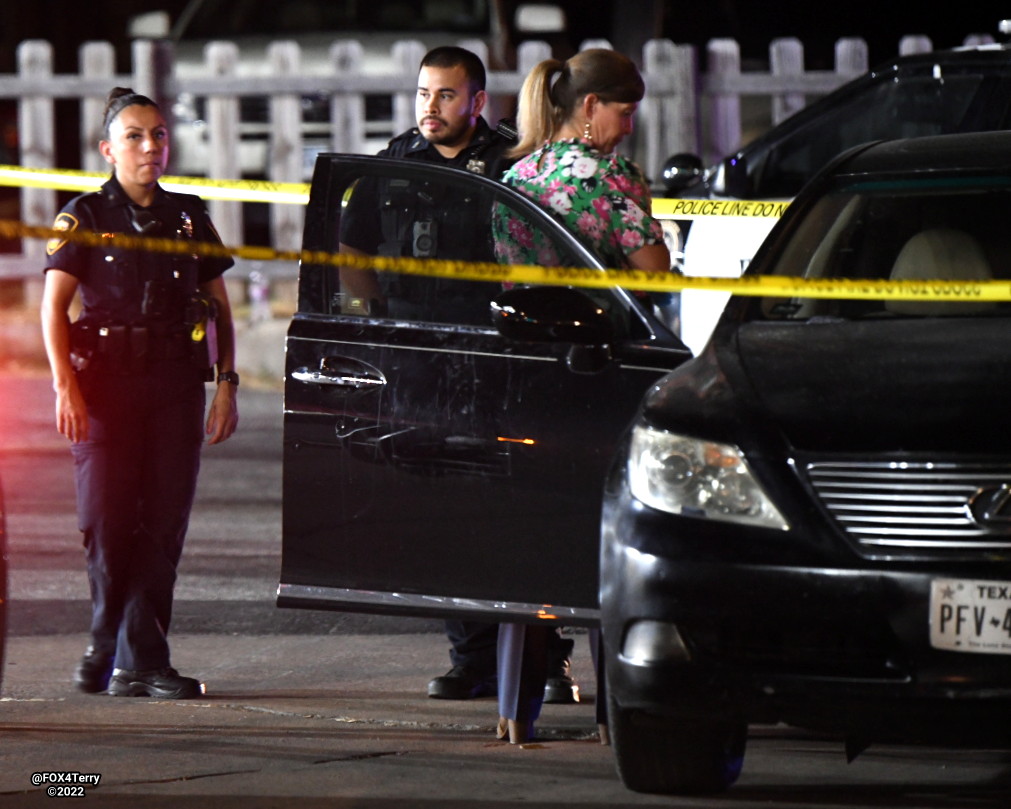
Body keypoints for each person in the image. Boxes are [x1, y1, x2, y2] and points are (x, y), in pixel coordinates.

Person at [337, 45, 579, 705]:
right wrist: (378, 314)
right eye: (422, 94)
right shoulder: (393, 164)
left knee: (517, 510)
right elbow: (350, 250)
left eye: (445, 95)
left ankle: (545, 660)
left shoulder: (509, 162)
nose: (430, 108)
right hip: (418, 359)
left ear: (477, 101)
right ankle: (470, 658)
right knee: (441, 512)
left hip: (498, 357)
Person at [491, 49, 670, 743]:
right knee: (607, 543)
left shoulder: (518, 174)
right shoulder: (602, 179)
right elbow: (653, 272)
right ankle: (608, 713)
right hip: (601, 376)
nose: (628, 125)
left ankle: (513, 705)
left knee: (530, 537)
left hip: (527, 379)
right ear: (590, 107)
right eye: (623, 111)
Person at [40, 87, 239, 700]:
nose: (150, 146)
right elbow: (53, 308)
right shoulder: (86, 217)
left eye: (158, 135)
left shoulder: (188, 217)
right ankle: (105, 637)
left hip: (174, 389)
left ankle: (142, 663)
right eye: (134, 136)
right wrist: (65, 388)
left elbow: (222, 311)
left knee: (162, 527)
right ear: (108, 149)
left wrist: (225, 385)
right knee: (106, 522)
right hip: (105, 391)